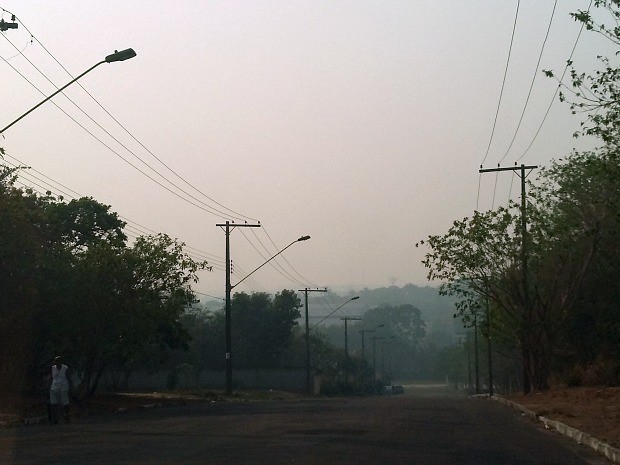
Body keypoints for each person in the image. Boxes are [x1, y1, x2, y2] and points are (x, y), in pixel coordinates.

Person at [49, 356, 71, 424]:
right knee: (53, 403)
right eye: (56, 361)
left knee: (65, 403)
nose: (57, 363)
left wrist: (70, 387)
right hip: (54, 388)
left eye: (58, 361)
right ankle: (55, 419)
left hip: (63, 388)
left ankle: (66, 417)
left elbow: (69, 378)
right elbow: (51, 378)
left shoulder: (65, 368)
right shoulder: (53, 368)